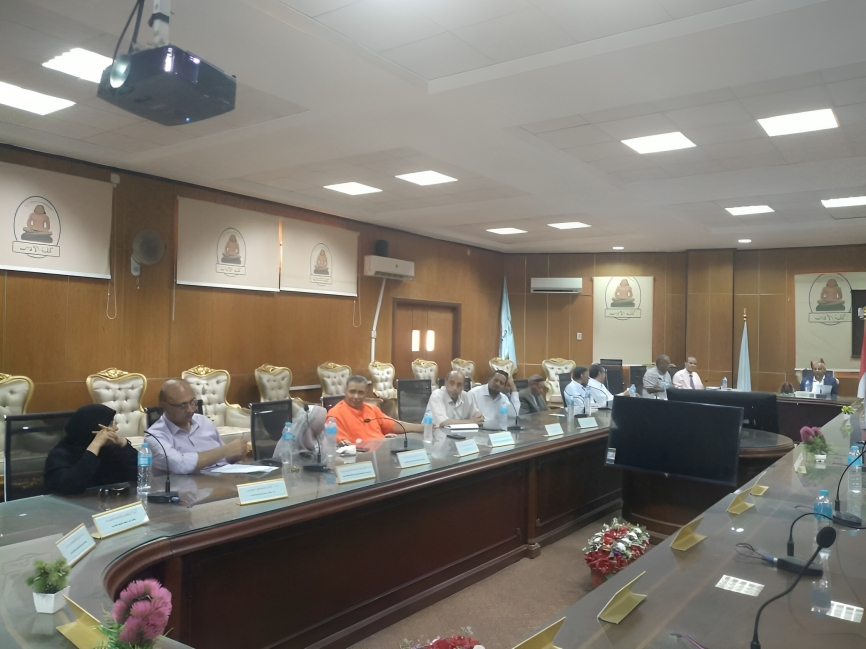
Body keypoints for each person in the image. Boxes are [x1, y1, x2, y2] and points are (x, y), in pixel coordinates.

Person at [147, 379, 249, 474]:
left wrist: (236, 453)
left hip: (224, 478)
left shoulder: (204, 421)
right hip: (190, 485)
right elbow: (180, 465)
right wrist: (226, 450)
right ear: (165, 406)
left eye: (193, 402)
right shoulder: (154, 436)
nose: (191, 410)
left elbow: (224, 458)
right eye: (183, 405)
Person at [44, 404, 138, 495]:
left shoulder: (109, 449)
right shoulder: (60, 454)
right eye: (110, 423)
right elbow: (68, 486)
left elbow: (140, 475)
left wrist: (123, 443)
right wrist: (95, 445)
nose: (115, 428)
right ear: (95, 428)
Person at [331, 375, 423, 443]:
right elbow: (343, 445)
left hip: (380, 452)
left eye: (360, 393)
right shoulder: (335, 415)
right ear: (345, 391)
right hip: (359, 457)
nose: (356, 396)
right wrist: (378, 442)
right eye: (352, 392)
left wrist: (423, 427)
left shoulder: (372, 409)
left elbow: (394, 425)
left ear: (365, 393)